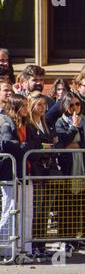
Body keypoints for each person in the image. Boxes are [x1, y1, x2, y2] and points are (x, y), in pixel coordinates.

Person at [55, 92, 85, 259]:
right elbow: (62, 141)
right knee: (67, 206)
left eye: (77, 104)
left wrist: (77, 143)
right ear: (66, 107)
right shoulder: (60, 122)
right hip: (67, 169)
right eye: (71, 105)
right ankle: (67, 241)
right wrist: (73, 128)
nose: (75, 108)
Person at [26, 92, 57, 261]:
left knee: (45, 210)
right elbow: (33, 146)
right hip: (36, 172)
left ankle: (42, 244)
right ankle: (33, 245)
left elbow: (53, 142)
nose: (43, 108)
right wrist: (45, 146)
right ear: (32, 105)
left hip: (49, 171)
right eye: (39, 105)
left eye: (44, 105)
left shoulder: (46, 123)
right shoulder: (30, 125)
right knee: (36, 210)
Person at [0, 94, 31, 261]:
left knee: (20, 211)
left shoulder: (24, 123)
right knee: (9, 209)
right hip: (8, 172)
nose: (27, 108)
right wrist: (22, 146)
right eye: (23, 105)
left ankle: (19, 248)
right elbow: (4, 144)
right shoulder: (5, 121)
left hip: (21, 172)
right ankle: (4, 247)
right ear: (16, 107)